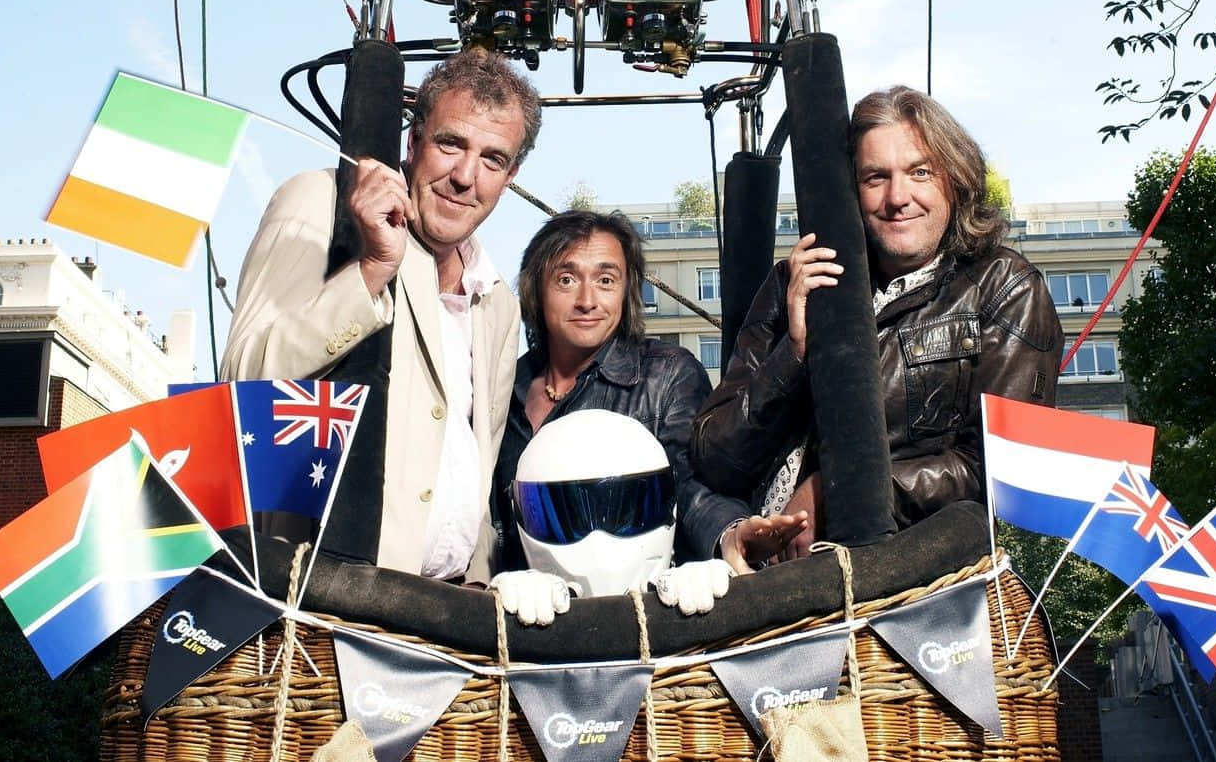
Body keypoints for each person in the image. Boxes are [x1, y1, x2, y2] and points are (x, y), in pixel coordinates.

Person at [691, 86, 1063, 571]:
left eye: (920, 172)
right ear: (849, 191)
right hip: (753, 573)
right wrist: (795, 353)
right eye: (874, 178)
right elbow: (713, 458)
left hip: (896, 575)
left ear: (956, 180)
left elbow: (999, 469)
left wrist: (842, 491)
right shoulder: (795, 280)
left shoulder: (1002, 287)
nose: (897, 197)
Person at [221, 48, 542, 584]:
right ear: (413, 142)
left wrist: (479, 587)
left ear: (509, 176)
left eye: (492, 159)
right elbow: (242, 386)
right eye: (450, 143)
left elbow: (475, 462)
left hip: (448, 615)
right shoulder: (320, 203)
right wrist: (370, 270)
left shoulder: (498, 302)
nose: (466, 176)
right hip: (327, 595)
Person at [487, 210, 806, 624]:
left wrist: (729, 534)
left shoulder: (666, 372)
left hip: (637, 620)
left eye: (606, 280)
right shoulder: (501, 383)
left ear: (627, 291)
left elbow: (688, 483)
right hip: (521, 620)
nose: (588, 300)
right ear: (536, 290)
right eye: (567, 279)